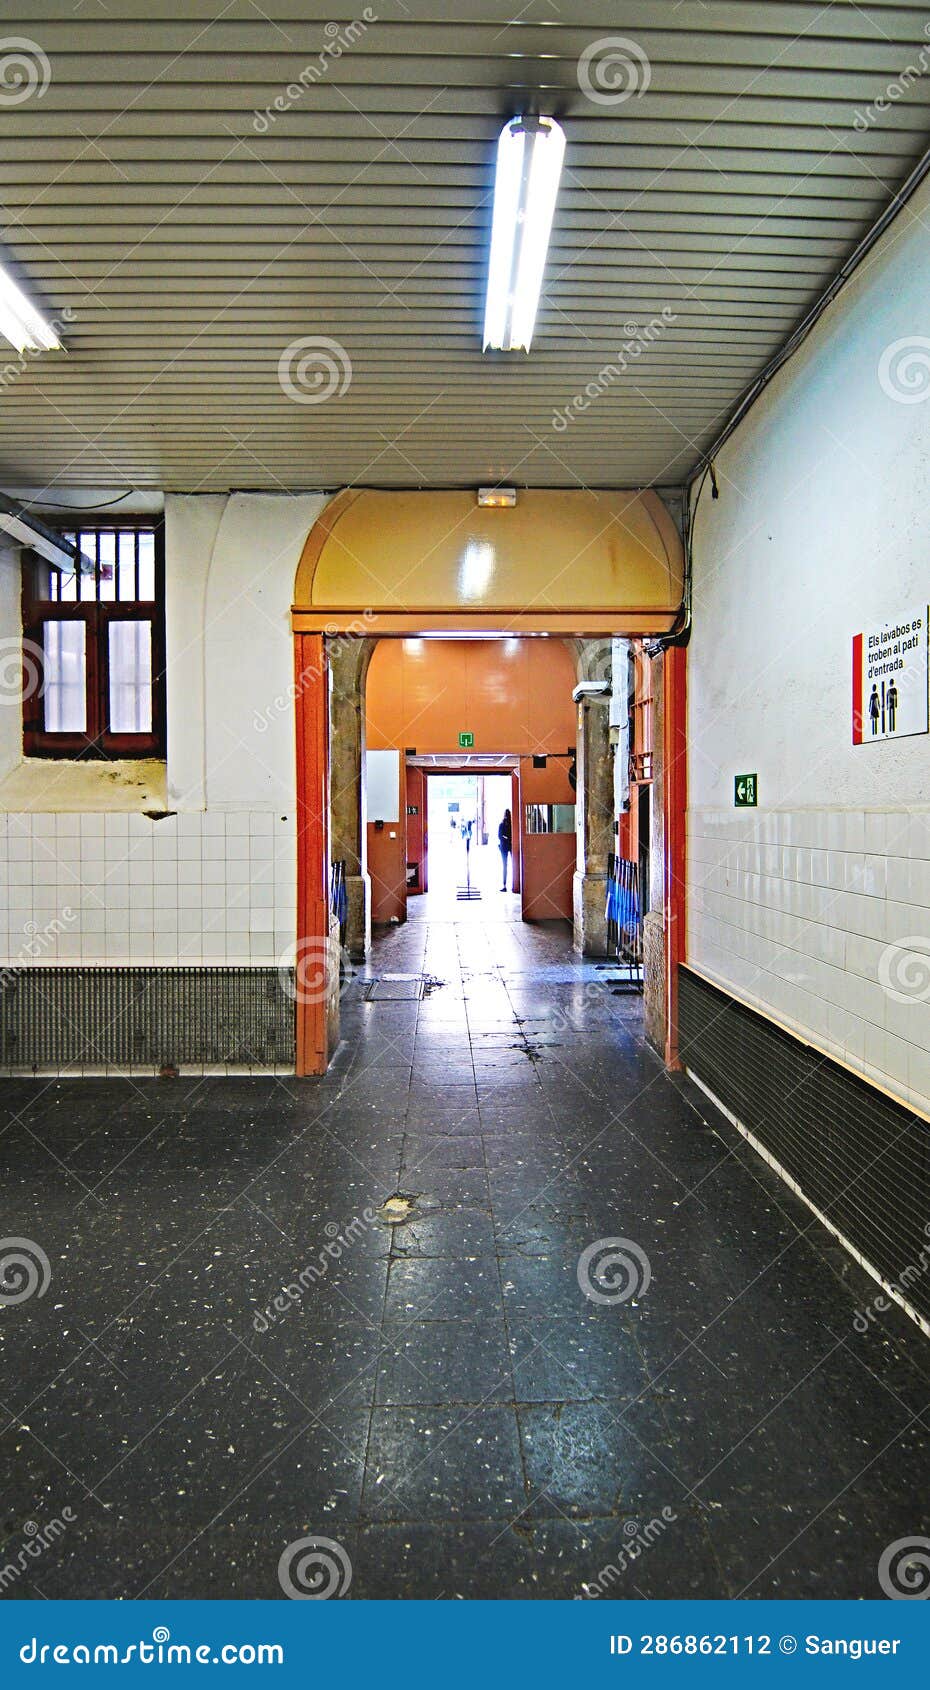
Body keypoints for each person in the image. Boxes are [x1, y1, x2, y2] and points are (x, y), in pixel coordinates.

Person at [498, 808, 513, 891]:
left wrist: (505, 838)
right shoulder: (512, 825)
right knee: (514, 864)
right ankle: (514, 885)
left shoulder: (501, 824)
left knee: (504, 866)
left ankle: (504, 885)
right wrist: (509, 839)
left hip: (503, 846)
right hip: (511, 845)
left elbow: (499, 836)